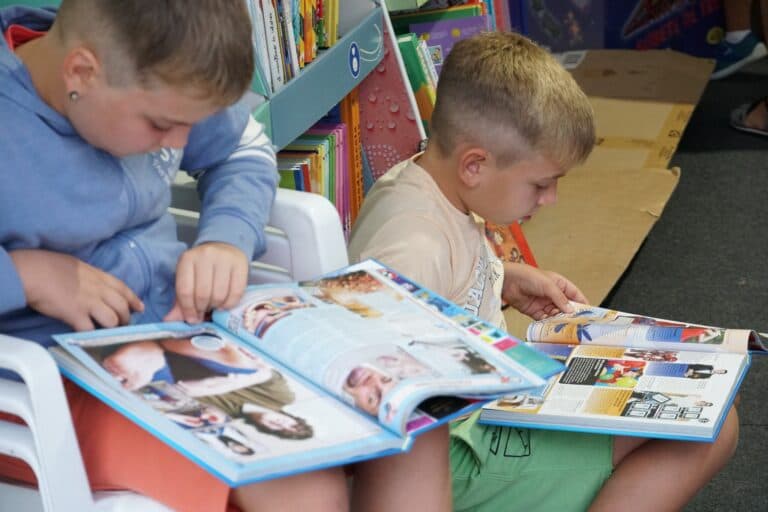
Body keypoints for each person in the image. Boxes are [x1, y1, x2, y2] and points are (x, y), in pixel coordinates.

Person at [348, 32, 739, 512]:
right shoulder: (412, 244)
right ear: (475, 164)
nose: (550, 199)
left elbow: (440, 286)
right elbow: (387, 389)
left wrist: (504, 278)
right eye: (541, 184)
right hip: (457, 456)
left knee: (706, 409)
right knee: (710, 428)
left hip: (480, 420)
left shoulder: (432, 188)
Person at [0, 2, 348, 511]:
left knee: (411, 422)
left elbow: (242, 148)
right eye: (162, 125)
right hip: (45, 392)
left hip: (186, 350)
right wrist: (22, 275)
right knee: (304, 487)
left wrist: (226, 237)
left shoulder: (156, 66)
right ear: (80, 72)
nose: (181, 145)